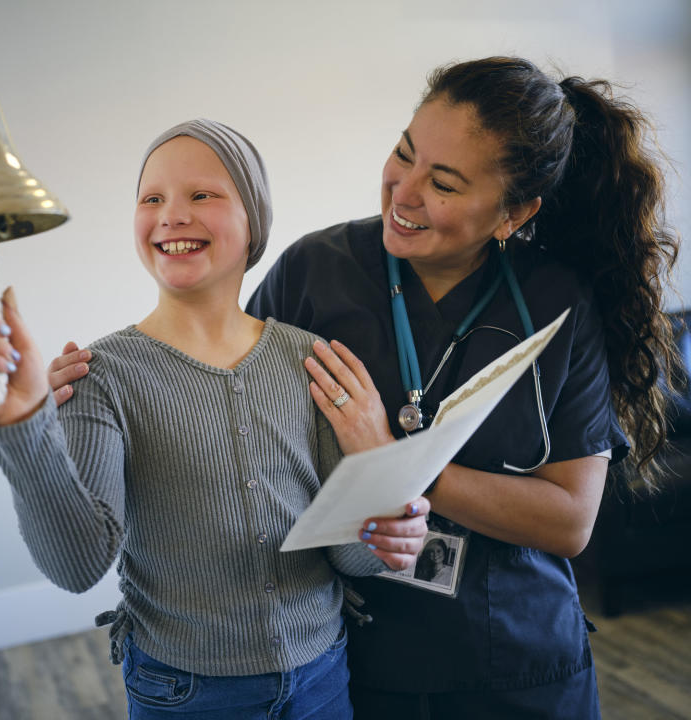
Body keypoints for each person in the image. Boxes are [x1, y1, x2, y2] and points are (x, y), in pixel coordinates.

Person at [49, 57, 679, 719]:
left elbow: (570, 521)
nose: (402, 192)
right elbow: (216, 393)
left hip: (518, 659)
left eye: (442, 182)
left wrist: (391, 462)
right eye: (403, 154)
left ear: (512, 211)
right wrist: (84, 392)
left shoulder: (557, 303)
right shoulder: (316, 274)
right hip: (362, 661)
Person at [0, 119, 430, 719]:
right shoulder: (100, 376)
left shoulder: (313, 360)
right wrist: (22, 425)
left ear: (253, 220)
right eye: (151, 199)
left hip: (323, 676)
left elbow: (346, 555)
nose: (171, 215)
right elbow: (76, 568)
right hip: (183, 695)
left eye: (202, 195)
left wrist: (387, 534)